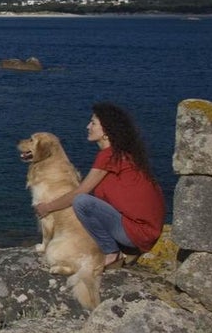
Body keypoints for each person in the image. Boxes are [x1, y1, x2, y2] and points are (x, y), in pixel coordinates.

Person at [34, 102, 165, 269]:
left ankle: (112, 253)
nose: (88, 126)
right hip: (143, 232)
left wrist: (48, 207)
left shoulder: (108, 156)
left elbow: (80, 193)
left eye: (93, 123)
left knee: (82, 201)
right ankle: (123, 250)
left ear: (107, 133)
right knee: (87, 204)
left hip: (136, 233)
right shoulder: (122, 155)